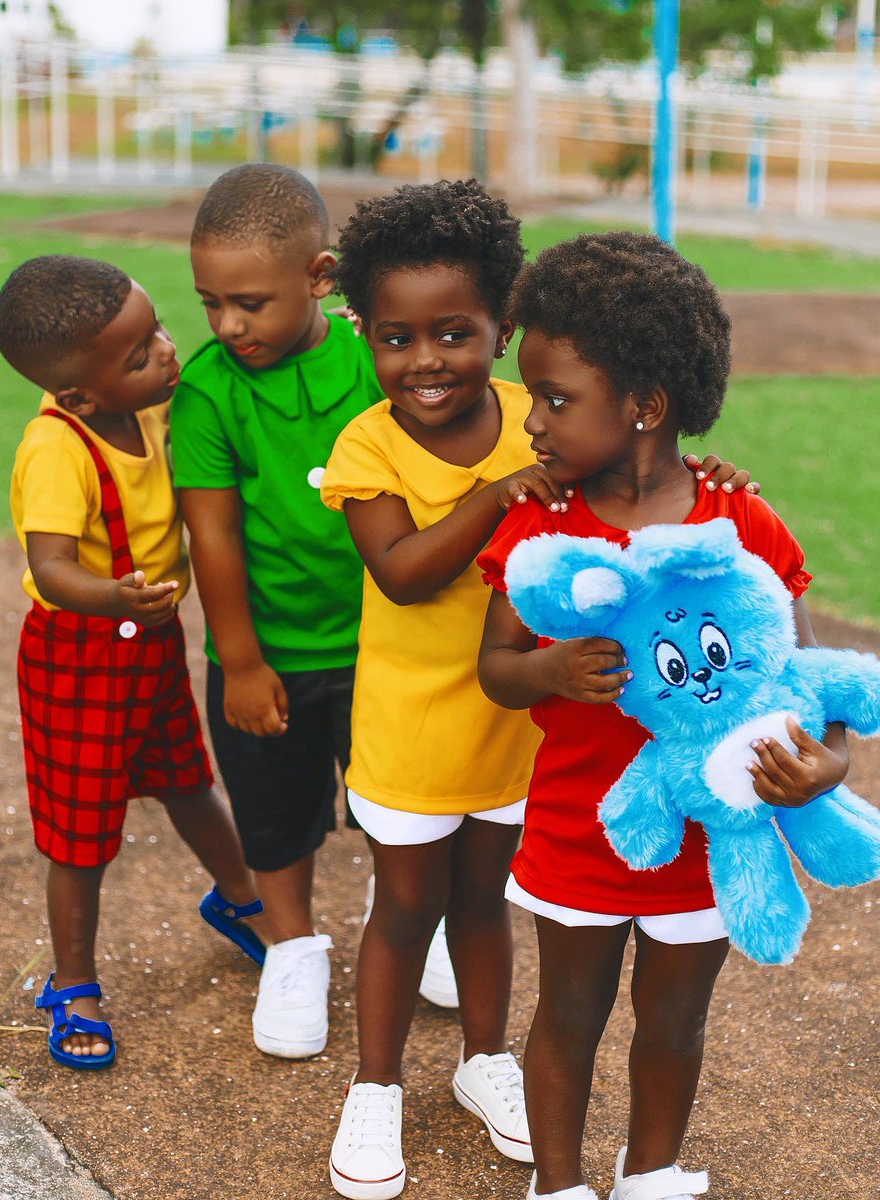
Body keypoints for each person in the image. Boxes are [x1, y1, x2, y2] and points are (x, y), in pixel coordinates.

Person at [319, 182, 755, 1200]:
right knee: (404, 903)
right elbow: (402, 572)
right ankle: (374, 1086)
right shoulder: (368, 446)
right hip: (414, 722)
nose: (425, 360)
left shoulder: (543, 416)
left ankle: (483, 1062)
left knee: (484, 904)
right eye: (397, 338)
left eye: (455, 333)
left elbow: (631, 464)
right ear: (365, 337)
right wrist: (490, 496)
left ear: (500, 329)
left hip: (522, 728)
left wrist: (699, 467)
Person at [476, 232, 851, 1200]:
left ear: (645, 406)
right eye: (532, 398)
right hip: (578, 829)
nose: (533, 425)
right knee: (566, 1014)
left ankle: (649, 1175)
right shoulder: (541, 528)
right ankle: (554, 1185)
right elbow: (496, 670)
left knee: (674, 1023)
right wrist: (549, 668)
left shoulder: (742, 525)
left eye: (555, 399)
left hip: (712, 843)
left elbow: (799, 679)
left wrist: (826, 766)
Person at [169, 164, 457, 1062]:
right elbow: (211, 535)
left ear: (321, 277)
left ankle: (409, 917)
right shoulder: (208, 392)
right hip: (270, 647)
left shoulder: (377, 358)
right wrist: (243, 662)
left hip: (385, 639)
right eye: (210, 303)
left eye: (249, 303)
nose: (225, 326)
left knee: (397, 799)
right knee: (272, 808)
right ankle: (292, 947)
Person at [0, 255, 266, 1071]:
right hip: (75, 652)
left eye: (155, 329)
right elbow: (51, 568)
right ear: (80, 396)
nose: (167, 349)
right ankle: (73, 980)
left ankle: (243, 900)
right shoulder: (58, 446)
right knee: (81, 830)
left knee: (188, 777)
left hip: (147, 644)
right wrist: (112, 597)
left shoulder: (149, 405)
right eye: (141, 351)